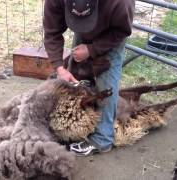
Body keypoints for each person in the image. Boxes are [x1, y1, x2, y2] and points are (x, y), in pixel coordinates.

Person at [43, 0, 135, 156]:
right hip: (86, 22)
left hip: (112, 31)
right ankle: (74, 128)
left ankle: (102, 139)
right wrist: (60, 68)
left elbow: (122, 31)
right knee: (75, 74)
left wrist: (92, 49)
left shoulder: (121, 3)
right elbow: (52, 32)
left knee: (107, 83)